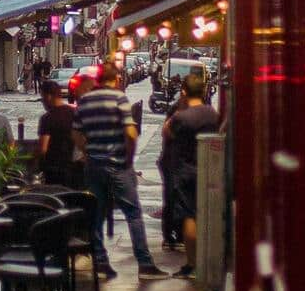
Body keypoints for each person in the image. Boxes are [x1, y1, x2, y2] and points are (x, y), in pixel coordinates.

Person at [76, 61, 165, 279]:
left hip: (94, 165)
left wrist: (87, 152)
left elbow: (76, 134)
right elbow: (131, 134)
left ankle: (100, 261)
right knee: (133, 213)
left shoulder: (85, 101)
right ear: (115, 79)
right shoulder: (119, 98)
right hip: (117, 165)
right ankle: (144, 264)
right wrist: (128, 158)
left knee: (96, 215)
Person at [162, 72, 221, 279]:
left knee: (189, 216)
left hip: (185, 171)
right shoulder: (212, 114)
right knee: (208, 214)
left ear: (184, 92)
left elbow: (167, 133)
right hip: (209, 169)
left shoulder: (180, 117)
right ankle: (210, 259)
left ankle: (192, 263)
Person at [35, 81, 82, 187]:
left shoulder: (47, 118)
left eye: (42, 98)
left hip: (54, 170)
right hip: (75, 167)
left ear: (48, 96)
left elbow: (43, 148)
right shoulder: (75, 113)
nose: (42, 102)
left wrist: (32, 159)